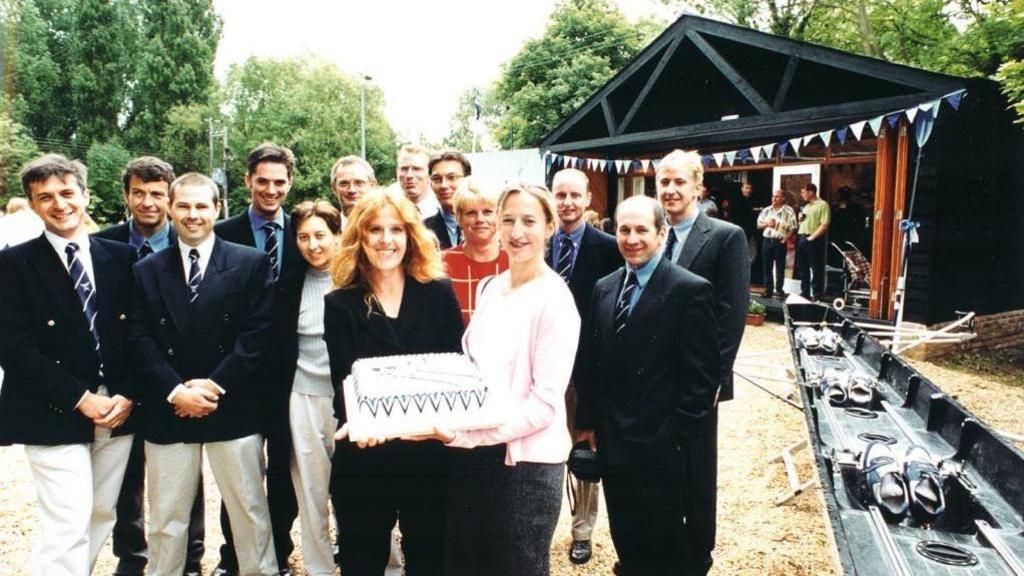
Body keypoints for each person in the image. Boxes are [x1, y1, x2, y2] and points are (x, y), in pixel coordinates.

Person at [426, 184, 581, 576]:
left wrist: (469, 435)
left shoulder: (556, 299)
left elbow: (544, 404)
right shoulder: (491, 288)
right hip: (477, 455)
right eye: (508, 219)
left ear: (549, 227)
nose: (516, 231)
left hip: (524, 466)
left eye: (529, 221)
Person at [129, 172, 278, 576]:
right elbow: (139, 338)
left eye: (201, 206)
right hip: (170, 407)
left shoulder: (249, 262)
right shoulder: (146, 269)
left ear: (217, 208)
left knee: (248, 511)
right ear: (170, 209)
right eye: (184, 206)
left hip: (231, 403)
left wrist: (213, 386)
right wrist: (177, 391)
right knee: (166, 518)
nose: (192, 215)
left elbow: (259, 333)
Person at [0, 153, 138, 576]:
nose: (59, 204)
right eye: (45, 197)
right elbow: (14, 347)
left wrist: (129, 394)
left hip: (117, 408)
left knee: (99, 516)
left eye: (67, 192)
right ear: (32, 204)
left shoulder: (123, 257)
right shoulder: (13, 264)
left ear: (85, 195)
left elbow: (140, 334)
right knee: (67, 524)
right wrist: (80, 399)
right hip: (51, 409)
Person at [575, 195, 720, 576]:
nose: (632, 238)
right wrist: (588, 423)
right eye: (624, 229)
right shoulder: (604, 288)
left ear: (661, 234)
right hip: (613, 442)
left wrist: (673, 436)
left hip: (660, 449)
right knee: (626, 536)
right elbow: (589, 362)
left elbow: (701, 380)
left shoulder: (689, 290)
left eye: (642, 229)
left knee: (666, 545)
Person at [324, 187, 463, 576]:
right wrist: (365, 420)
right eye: (375, 230)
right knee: (361, 561)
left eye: (396, 230)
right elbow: (343, 381)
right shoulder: (340, 303)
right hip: (366, 452)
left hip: (426, 452)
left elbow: (452, 368)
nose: (386, 240)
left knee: (429, 560)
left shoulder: (438, 292)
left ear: (410, 236)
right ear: (359, 237)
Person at [93, 156, 206, 576]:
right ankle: (132, 554)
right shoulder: (103, 244)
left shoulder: (190, 245)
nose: (148, 202)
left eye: (157, 194)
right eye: (138, 192)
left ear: (171, 198)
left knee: (182, 472)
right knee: (126, 475)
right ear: (126, 196)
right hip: (123, 378)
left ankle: (191, 554)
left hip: (174, 379)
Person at [657, 149, 748, 575]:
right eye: (664, 182)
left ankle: (697, 556)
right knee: (657, 463)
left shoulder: (725, 237)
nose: (671, 190)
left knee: (696, 466)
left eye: (679, 182)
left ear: (697, 186)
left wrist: (714, 379)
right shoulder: (650, 235)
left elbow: (733, 313)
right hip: (654, 376)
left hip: (698, 379)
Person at [214, 142, 300, 575]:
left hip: (291, 375)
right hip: (238, 373)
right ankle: (236, 556)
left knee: (284, 475)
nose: (270, 190)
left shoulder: (306, 230)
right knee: (241, 475)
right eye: (262, 181)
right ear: (247, 180)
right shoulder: (223, 232)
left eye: (279, 182)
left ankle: (278, 554)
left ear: (290, 183)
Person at [547, 168, 621, 565]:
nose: (568, 203)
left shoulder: (609, 248)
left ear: (588, 200)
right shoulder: (538, 244)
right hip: (543, 366)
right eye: (560, 195)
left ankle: (582, 531)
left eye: (575, 195)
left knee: (584, 447)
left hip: (585, 367)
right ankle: (541, 523)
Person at [274, 200, 343, 576]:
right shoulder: (288, 286)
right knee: (311, 491)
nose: (313, 245)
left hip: (348, 399)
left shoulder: (356, 279)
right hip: (302, 396)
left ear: (337, 235)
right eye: (303, 237)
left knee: (354, 490)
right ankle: (318, 566)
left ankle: (380, 563)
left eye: (320, 235)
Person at [441, 177, 509, 326]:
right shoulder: (441, 264)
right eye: (471, 213)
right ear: (458, 218)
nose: (480, 219)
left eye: (487, 212)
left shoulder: (515, 262)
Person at [423, 151, 471, 248]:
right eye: (436, 179)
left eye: (452, 177)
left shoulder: (488, 223)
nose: (443, 185)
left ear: (468, 179)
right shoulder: (422, 230)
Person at [757, 189, 798, 299]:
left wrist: (786, 239)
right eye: (773, 196)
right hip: (767, 240)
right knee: (767, 267)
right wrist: (766, 223)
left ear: (783, 198)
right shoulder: (766, 210)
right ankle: (768, 290)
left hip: (779, 241)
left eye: (777, 197)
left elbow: (793, 228)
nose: (774, 199)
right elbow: (758, 225)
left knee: (780, 267)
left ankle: (779, 290)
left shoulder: (788, 211)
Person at [795, 183, 830, 301]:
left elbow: (824, 224)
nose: (802, 195)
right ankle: (805, 292)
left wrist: (811, 238)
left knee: (816, 268)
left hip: (813, 238)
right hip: (801, 237)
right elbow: (802, 224)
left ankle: (817, 295)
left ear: (811, 192)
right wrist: (800, 220)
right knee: (802, 267)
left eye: (803, 192)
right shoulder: (806, 206)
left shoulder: (823, 205)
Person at [330, 155, 376, 230]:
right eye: (344, 183)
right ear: (334, 188)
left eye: (359, 183)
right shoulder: (329, 229)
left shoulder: (385, 228)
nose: (352, 190)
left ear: (372, 185)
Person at [396, 144, 440, 218]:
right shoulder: (387, 210)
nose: (409, 175)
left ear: (430, 174)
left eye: (416, 169)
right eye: (404, 169)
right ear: (397, 173)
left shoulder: (442, 211)